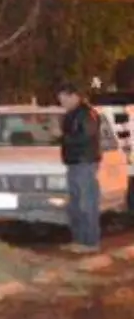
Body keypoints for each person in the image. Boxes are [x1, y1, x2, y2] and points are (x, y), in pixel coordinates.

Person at [58, 84, 103, 253]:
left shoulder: (86, 113)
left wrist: (64, 138)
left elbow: (85, 136)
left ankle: (90, 242)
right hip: (75, 162)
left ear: (74, 96)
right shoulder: (73, 114)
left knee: (86, 203)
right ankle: (79, 240)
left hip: (85, 163)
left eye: (63, 98)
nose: (61, 102)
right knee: (75, 205)